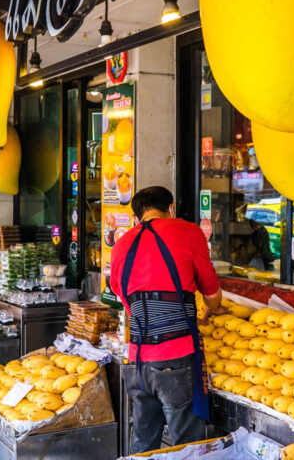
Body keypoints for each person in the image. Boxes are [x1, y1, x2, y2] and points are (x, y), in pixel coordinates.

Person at [110, 186, 226, 454]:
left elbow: (125, 298)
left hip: (137, 361)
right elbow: (211, 290)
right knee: (185, 444)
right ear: (171, 208)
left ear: (138, 216)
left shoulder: (121, 246)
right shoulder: (187, 232)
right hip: (175, 358)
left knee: (143, 441)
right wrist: (212, 307)